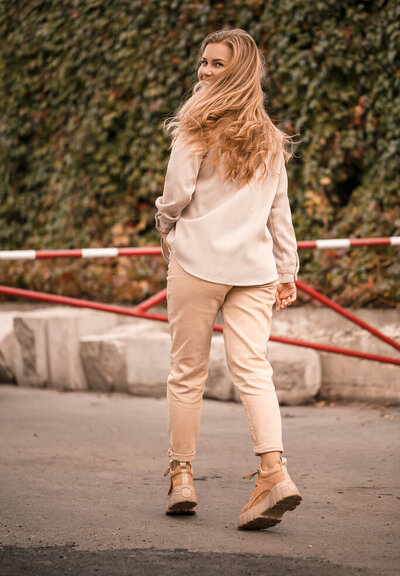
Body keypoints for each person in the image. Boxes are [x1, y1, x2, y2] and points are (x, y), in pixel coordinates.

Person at [154, 28, 302, 530]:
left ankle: (181, 476)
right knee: (254, 370)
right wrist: (286, 270)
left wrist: (165, 228)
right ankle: (273, 473)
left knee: (186, 373)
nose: (205, 71)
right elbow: (279, 212)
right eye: (203, 61)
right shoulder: (270, 137)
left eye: (217, 65)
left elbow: (175, 196)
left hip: (197, 262)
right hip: (255, 270)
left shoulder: (194, 128)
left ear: (237, 71)